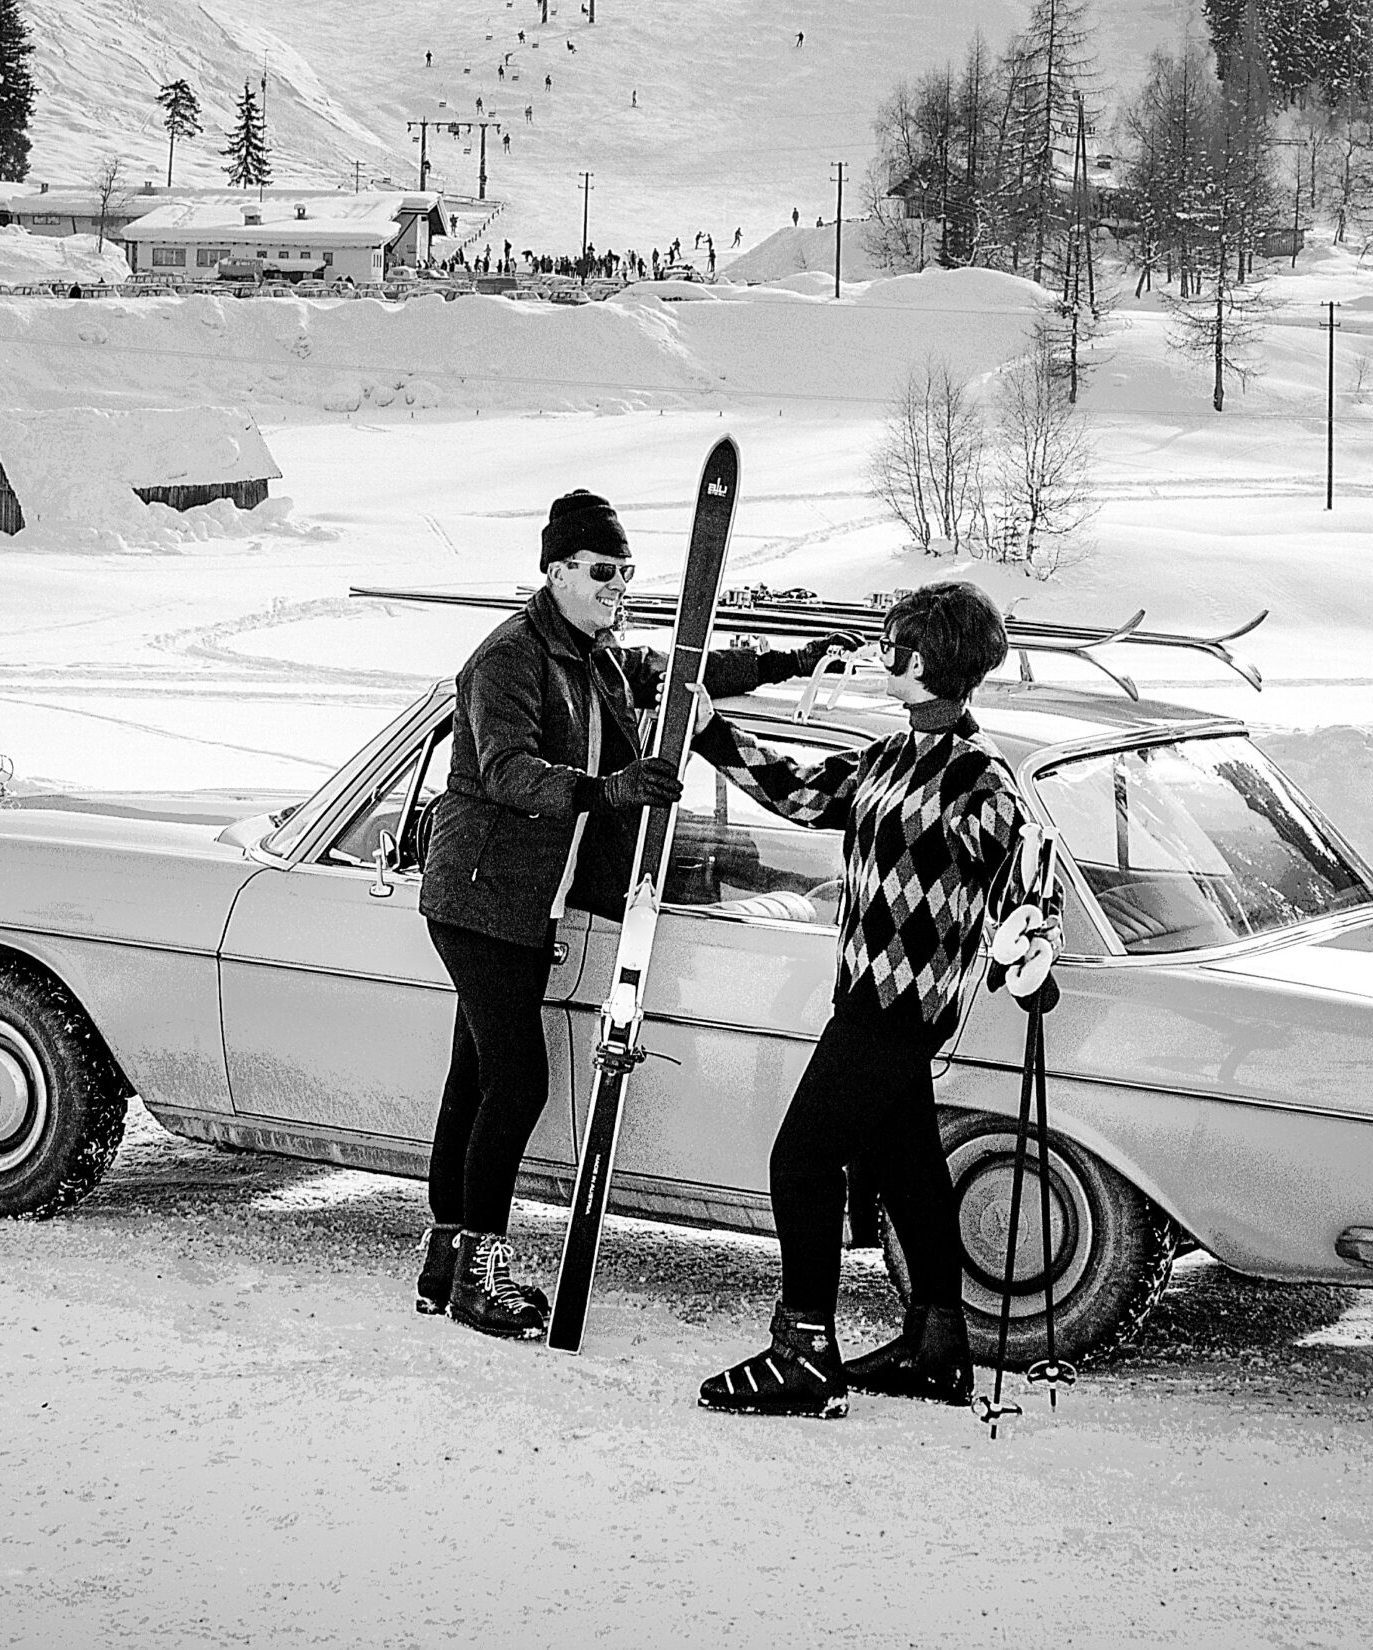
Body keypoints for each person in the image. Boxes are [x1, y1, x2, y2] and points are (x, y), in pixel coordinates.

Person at [414, 489, 858, 1339]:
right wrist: (606, 790)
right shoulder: (509, 659)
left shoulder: (595, 653)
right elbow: (508, 771)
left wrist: (785, 661)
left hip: (524, 900)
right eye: (602, 570)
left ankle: (446, 1261)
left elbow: (683, 672)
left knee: (474, 1078)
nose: (618, 585)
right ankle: (479, 1270)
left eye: (626, 570)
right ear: (556, 571)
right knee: (516, 1081)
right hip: (481, 896)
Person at [692, 583, 1025, 1416]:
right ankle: (936, 1344)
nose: (883, 658)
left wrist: (1032, 939)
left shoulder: (981, 780)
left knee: (801, 1158)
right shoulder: (888, 755)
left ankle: (802, 1351)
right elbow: (799, 793)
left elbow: (1026, 875)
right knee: (901, 1160)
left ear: (927, 661)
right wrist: (705, 730)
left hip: (900, 1009)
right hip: (864, 995)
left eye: (895, 647)